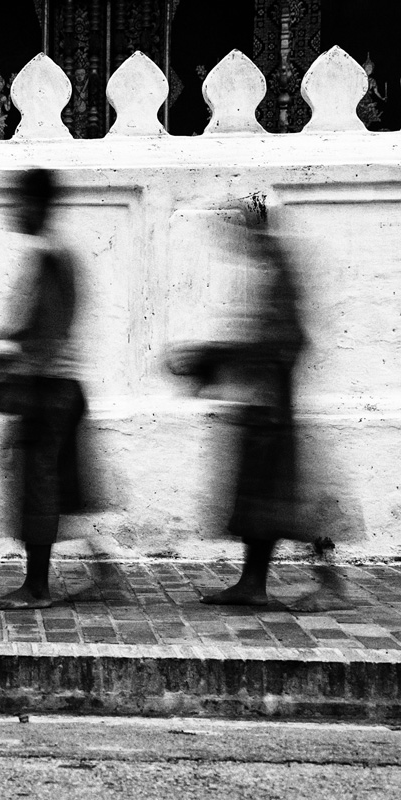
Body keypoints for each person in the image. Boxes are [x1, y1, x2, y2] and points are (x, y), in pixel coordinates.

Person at [168, 210, 350, 611]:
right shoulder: (263, 269)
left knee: (289, 502)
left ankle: (333, 585)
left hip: (273, 407)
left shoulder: (278, 269)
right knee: (259, 500)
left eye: (238, 227)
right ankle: (252, 583)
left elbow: (284, 339)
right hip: (259, 403)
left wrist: (212, 356)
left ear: (255, 226)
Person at [0, 168, 87, 611]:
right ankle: (93, 569)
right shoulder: (53, 254)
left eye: (19, 201)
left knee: (38, 487)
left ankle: (37, 588)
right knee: (54, 485)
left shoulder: (49, 259)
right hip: (54, 387)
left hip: (47, 390)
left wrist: (4, 357)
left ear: (37, 204)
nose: (14, 210)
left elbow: (46, 332)